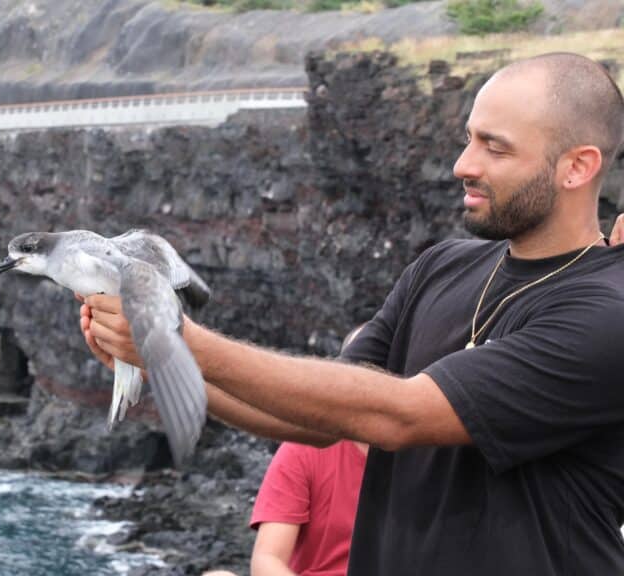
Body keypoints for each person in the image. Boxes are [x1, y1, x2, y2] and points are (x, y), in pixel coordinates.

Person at [79, 52, 624, 575]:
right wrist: (161, 362)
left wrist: (175, 334)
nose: (464, 165)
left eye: (494, 148)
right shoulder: (441, 266)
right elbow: (320, 420)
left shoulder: (606, 314)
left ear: (577, 167)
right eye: (468, 139)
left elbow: (398, 415)